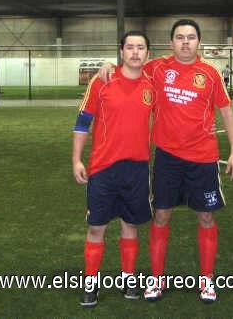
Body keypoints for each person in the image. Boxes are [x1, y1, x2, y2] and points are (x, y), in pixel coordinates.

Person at [100, 19, 233, 303]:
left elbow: (226, 112)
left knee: (206, 216)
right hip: (167, 157)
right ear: (171, 42)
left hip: (203, 158)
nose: (185, 42)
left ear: (199, 42)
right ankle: (157, 279)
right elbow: (130, 66)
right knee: (161, 215)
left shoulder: (210, 73)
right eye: (179, 37)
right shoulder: (158, 68)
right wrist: (108, 65)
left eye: (190, 37)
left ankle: (207, 281)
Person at [72, 31, 154, 308]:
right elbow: (83, 122)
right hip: (103, 168)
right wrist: (76, 160)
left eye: (140, 48)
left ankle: (129, 279)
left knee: (130, 225)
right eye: (129, 47)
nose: (134, 52)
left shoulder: (152, 84)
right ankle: (90, 284)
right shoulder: (102, 80)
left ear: (147, 54)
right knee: (97, 227)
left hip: (137, 168)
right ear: (121, 52)